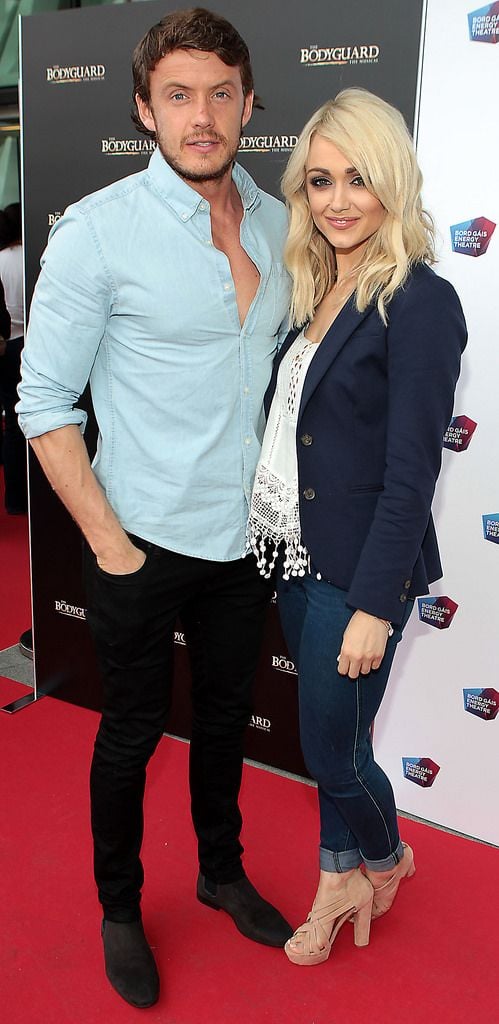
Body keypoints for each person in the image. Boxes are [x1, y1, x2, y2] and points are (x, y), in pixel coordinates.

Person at [17, 7, 292, 1008]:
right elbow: (43, 404)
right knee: (131, 732)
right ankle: (121, 906)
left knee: (225, 717)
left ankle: (220, 872)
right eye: (178, 94)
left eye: (221, 92)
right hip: (137, 538)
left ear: (249, 102)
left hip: (243, 537)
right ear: (144, 108)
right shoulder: (97, 231)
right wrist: (109, 545)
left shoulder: (278, 219)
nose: (202, 114)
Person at [248, 88, 467, 966]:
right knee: (338, 742)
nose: (337, 200)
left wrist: (376, 604)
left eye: (358, 180)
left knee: (331, 757)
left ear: (393, 185)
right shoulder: (314, 287)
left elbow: (414, 471)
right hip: (294, 554)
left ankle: (384, 858)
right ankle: (335, 878)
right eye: (318, 181)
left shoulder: (420, 301)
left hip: (358, 573)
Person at [0, 203, 26, 514]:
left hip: (8, 346)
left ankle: (14, 499)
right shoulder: (32, 253)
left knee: (12, 424)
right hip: (31, 343)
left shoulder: (1, 260)